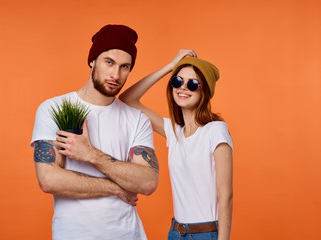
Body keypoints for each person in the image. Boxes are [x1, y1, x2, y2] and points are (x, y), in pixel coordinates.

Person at [31, 24, 159, 240]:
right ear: (92, 60)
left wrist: (90, 153)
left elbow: (147, 182)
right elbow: (49, 179)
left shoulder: (137, 119)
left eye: (124, 66)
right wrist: (117, 188)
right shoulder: (54, 108)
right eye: (109, 62)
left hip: (128, 235)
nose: (115, 74)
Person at [119, 49, 233, 240]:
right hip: (176, 233)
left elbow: (226, 196)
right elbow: (127, 99)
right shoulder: (174, 131)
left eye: (193, 84)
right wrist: (170, 67)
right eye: (177, 81)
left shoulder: (216, 131)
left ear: (205, 91)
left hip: (205, 234)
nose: (183, 88)